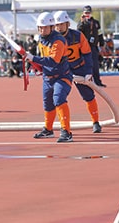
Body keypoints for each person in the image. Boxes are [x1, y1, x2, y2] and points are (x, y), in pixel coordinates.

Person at [24, 12, 74, 143]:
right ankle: (48, 129)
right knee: (48, 104)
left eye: (44, 27)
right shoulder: (41, 39)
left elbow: (53, 61)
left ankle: (66, 132)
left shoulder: (58, 41)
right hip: (47, 77)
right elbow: (43, 59)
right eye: (40, 27)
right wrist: (34, 63)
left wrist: (33, 58)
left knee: (59, 99)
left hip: (62, 76)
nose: (42, 30)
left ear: (52, 27)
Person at [53, 10, 102, 133]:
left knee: (88, 96)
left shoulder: (78, 36)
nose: (59, 27)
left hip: (79, 69)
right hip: (62, 71)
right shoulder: (52, 39)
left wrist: (88, 72)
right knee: (57, 98)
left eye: (61, 24)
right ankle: (60, 127)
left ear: (68, 24)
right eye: (57, 25)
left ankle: (96, 122)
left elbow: (87, 54)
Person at [77, 5, 106, 87]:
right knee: (85, 65)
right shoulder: (81, 22)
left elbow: (100, 34)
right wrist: (82, 22)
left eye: (88, 12)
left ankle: (97, 82)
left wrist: (102, 44)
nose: (87, 14)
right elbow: (78, 32)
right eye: (86, 13)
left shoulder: (96, 22)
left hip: (93, 47)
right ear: (83, 13)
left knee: (95, 65)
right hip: (84, 47)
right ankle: (85, 82)